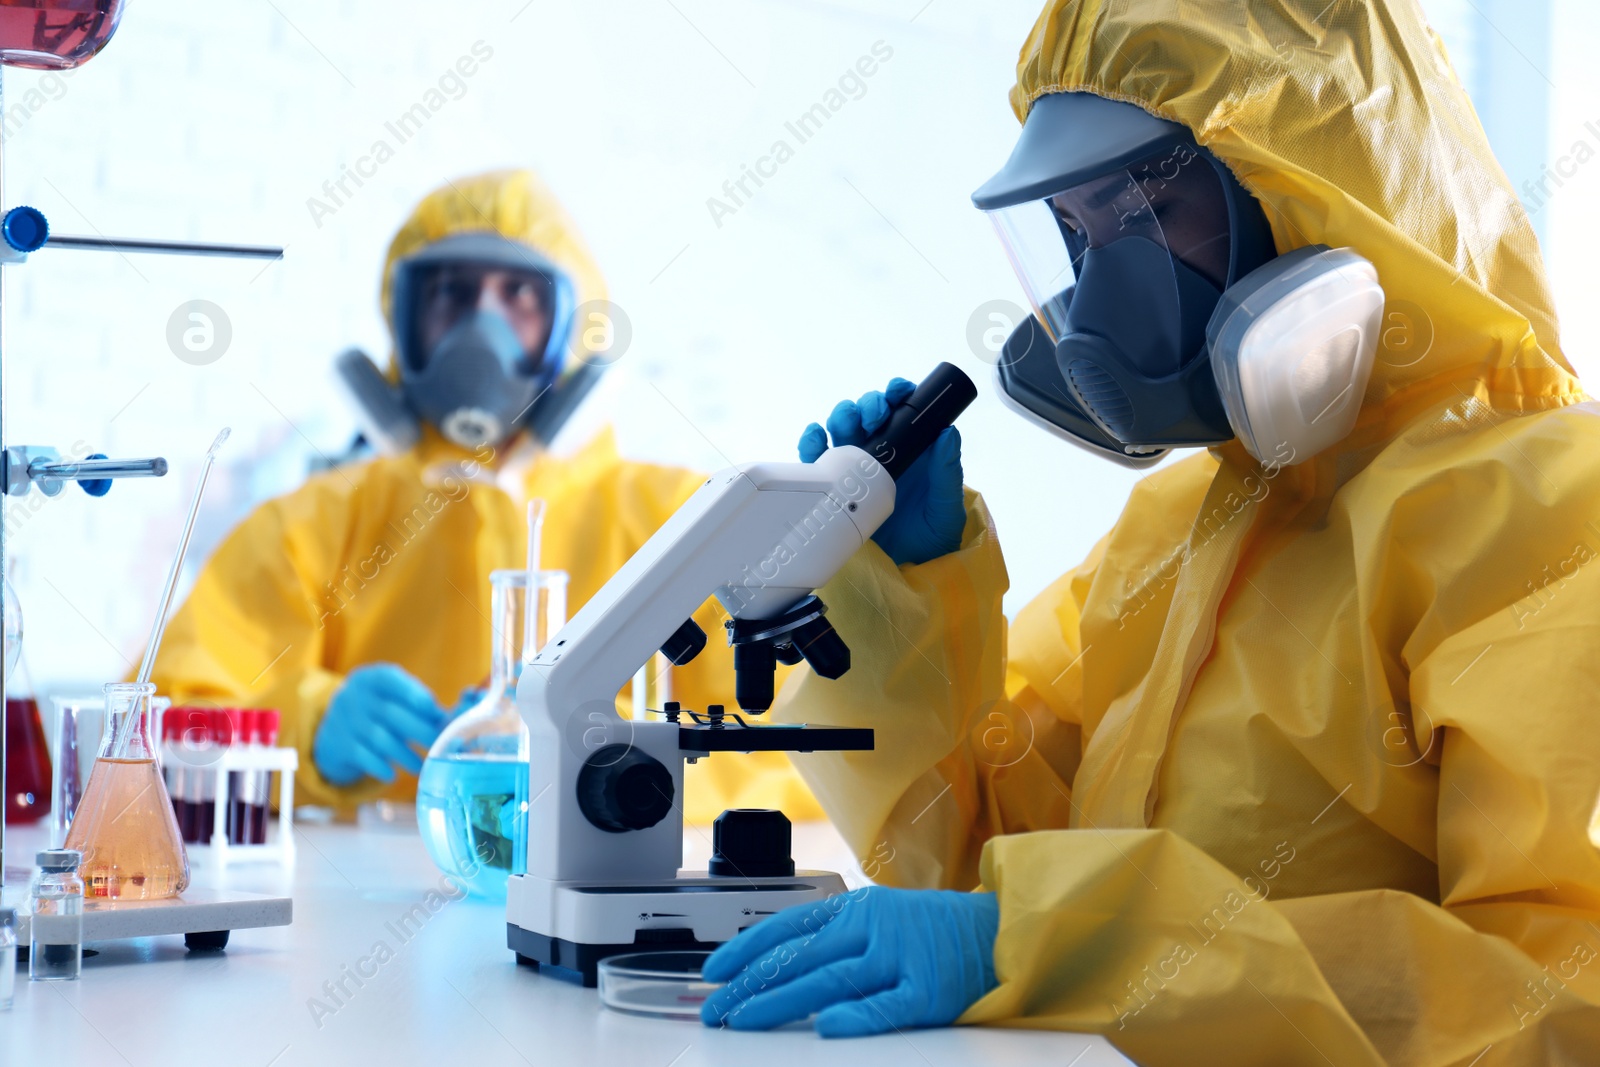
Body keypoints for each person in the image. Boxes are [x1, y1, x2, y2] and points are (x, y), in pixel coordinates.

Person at [699, 1, 1600, 1062]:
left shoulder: (1548, 514)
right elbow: (983, 875)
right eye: (1078, 232)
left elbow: (1551, 999)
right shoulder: (1180, 529)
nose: (1099, 295)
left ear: (1313, 186)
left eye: (1148, 210)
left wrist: (1084, 942)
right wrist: (909, 600)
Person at [150, 169, 818, 825]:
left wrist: (610, 784)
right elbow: (155, 724)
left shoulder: (682, 524)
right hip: (365, 917)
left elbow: (807, 742)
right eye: (449, 294)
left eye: (520, 295)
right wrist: (302, 728)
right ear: (403, 323)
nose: (481, 327)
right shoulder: (315, 527)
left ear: (573, 329)